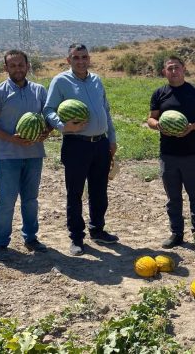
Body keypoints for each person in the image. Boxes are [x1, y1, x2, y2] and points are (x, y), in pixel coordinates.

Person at [43, 43, 118, 256]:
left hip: (100, 143)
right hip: (76, 144)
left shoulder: (96, 80)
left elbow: (106, 111)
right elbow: (48, 110)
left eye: (84, 57)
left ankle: (98, 229)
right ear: (68, 60)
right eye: (76, 57)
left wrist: (111, 139)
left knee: (99, 190)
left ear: (89, 58)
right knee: (74, 193)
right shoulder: (60, 81)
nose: (81, 61)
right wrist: (61, 125)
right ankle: (76, 237)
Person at [0, 50, 50, 254]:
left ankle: (31, 238)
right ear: (6, 68)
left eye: (21, 65)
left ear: (28, 66)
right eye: (13, 65)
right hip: (7, 156)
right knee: (6, 200)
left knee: (31, 200)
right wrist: (11, 138)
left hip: (34, 154)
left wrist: (45, 132)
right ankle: (1, 242)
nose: (17, 69)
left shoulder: (39, 91)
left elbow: (49, 118)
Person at [147, 55, 195, 250]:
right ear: (164, 72)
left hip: (191, 154)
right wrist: (158, 126)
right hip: (168, 154)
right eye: (169, 68)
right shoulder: (159, 93)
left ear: (184, 68)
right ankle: (177, 233)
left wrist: (191, 127)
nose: (173, 71)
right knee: (173, 198)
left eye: (176, 67)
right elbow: (150, 119)